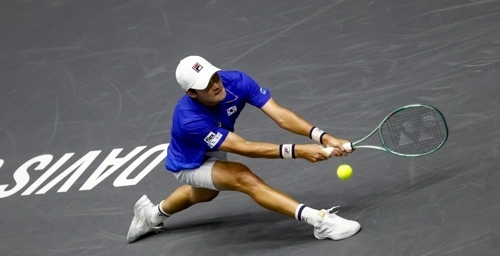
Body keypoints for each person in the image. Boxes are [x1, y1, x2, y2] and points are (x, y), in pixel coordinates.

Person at [126, 55, 361, 243]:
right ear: (191, 93)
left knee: (203, 193)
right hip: (190, 161)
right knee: (243, 177)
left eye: (214, 76)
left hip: (217, 143)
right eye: (205, 85)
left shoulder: (236, 81)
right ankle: (320, 222)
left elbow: (280, 115)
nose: (215, 85)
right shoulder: (190, 119)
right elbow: (244, 147)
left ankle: (150, 215)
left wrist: (324, 137)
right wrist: (300, 151)